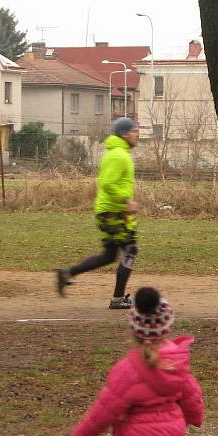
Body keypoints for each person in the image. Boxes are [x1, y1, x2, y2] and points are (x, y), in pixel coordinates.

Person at [71, 287, 205, 436]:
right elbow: (192, 395)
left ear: (134, 330)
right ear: (166, 328)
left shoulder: (127, 371)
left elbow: (104, 410)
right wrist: (195, 417)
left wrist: (81, 435)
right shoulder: (177, 362)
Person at [56, 117, 140, 309]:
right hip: (114, 212)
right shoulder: (119, 155)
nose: (137, 135)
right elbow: (107, 183)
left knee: (109, 255)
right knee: (131, 250)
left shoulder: (117, 152)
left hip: (109, 210)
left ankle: (67, 273)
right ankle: (118, 299)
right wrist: (126, 200)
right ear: (125, 134)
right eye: (135, 132)